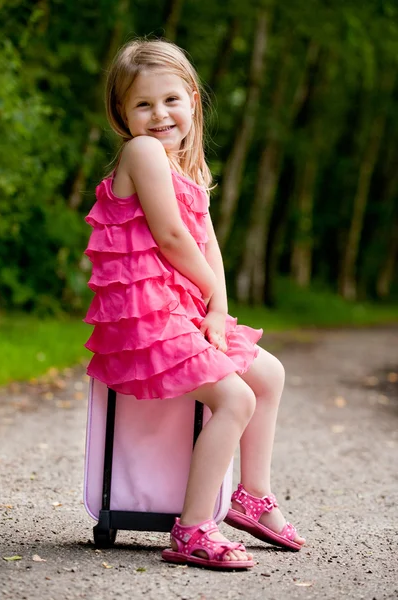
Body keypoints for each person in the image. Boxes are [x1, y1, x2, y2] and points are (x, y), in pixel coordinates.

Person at [84, 38, 305, 570]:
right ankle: (193, 528)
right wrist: (204, 299)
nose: (159, 114)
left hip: (177, 310)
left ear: (193, 102)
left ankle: (252, 495)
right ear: (122, 114)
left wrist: (215, 310)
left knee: (268, 375)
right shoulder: (142, 154)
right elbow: (172, 239)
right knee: (235, 399)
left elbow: (207, 245)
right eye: (143, 104)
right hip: (141, 320)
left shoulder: (189, 167)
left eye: (171, 100)